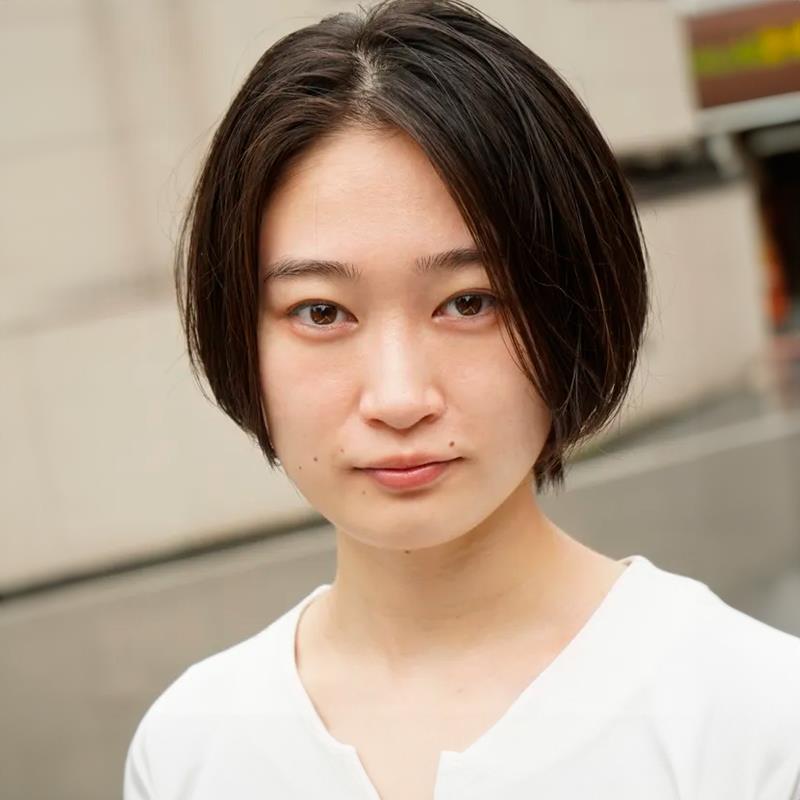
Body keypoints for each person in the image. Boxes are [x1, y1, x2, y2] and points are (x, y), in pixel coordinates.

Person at [123, 1, 800, 797]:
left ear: (572, 308)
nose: (399, 398)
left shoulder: (751, 716)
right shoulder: (191, 748)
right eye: (321, 312)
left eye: (469, 302)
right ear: (239, 333)